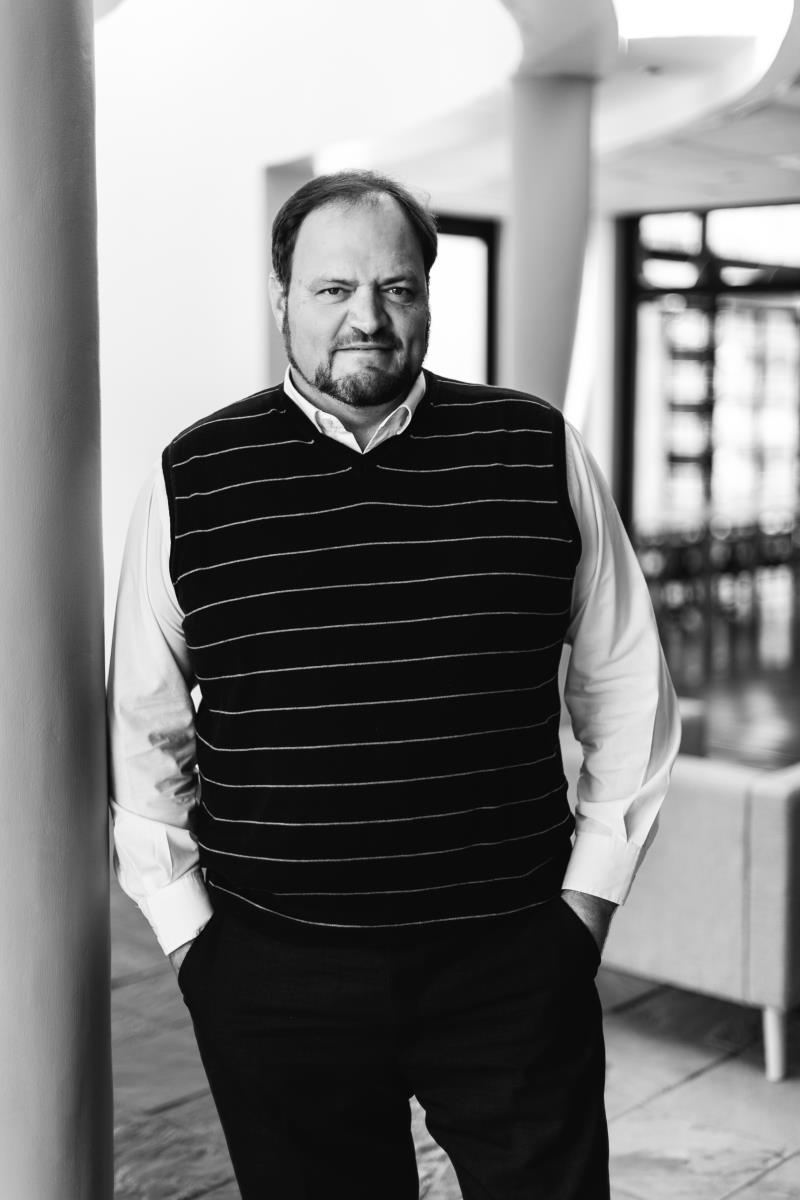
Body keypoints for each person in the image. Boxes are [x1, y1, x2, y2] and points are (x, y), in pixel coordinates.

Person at [108, 169, 680, 1200]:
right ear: (281, 297)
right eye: (333, 290)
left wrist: (585, 905)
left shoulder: (533, 447)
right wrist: (194, 940)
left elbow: (626, 685)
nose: (366, 318)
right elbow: (144, 728)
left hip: (509, 961)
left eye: (396, 287)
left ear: (426, 295)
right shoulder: (193, 475)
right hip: (277, 974)